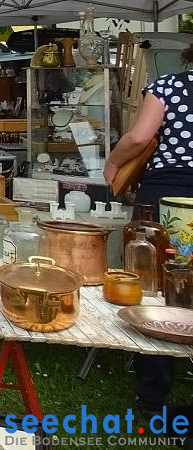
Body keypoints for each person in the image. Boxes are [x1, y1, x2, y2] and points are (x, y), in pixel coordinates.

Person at [104, 42, 193, 413]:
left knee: (156, 285)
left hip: (169, 191)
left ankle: (153, 393)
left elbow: (140, 137)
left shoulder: (167, 87)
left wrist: (112, 164)